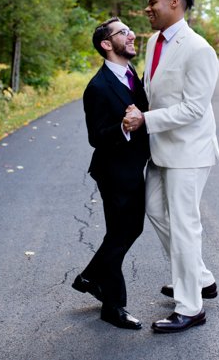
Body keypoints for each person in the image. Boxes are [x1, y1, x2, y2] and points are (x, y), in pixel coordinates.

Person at [124, 0, 219, 333]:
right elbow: (154, 90)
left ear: (175, 2)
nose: (147, 9)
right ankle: (202, 278)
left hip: (189, 151)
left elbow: (195, 108)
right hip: (161, 149)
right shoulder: (153, 42)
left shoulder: (199, 50)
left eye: (153, 3)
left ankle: (190, 306)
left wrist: (145, 120)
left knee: (184, 224)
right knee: (154, 211)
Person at [72, 17, 150, 330]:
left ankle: (90, 276)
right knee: (120, 234)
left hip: (133, 167)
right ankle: (112, 306)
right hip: (113, 172)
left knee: (128, 231)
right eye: (123, 32)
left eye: (130, 30)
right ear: (107, 44)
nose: (131, 35)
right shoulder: (98, 87)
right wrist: (123, 126)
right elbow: (96, 137)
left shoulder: (133, 74)